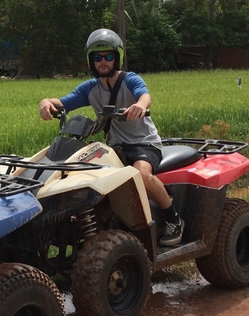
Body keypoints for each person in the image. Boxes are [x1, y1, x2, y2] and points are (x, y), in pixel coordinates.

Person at [37, 28, 184, 246]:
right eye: (97, 58)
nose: (103, 62)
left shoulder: (130, 80)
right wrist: (46, 103)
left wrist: (140, 106)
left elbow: (145, 95)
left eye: (108, 56)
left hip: (144, 144)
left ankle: (174, 220)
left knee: (140, 175)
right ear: (91, 61)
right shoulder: (89, 88)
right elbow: (64, 101)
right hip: (114, 146)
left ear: (117, 58)